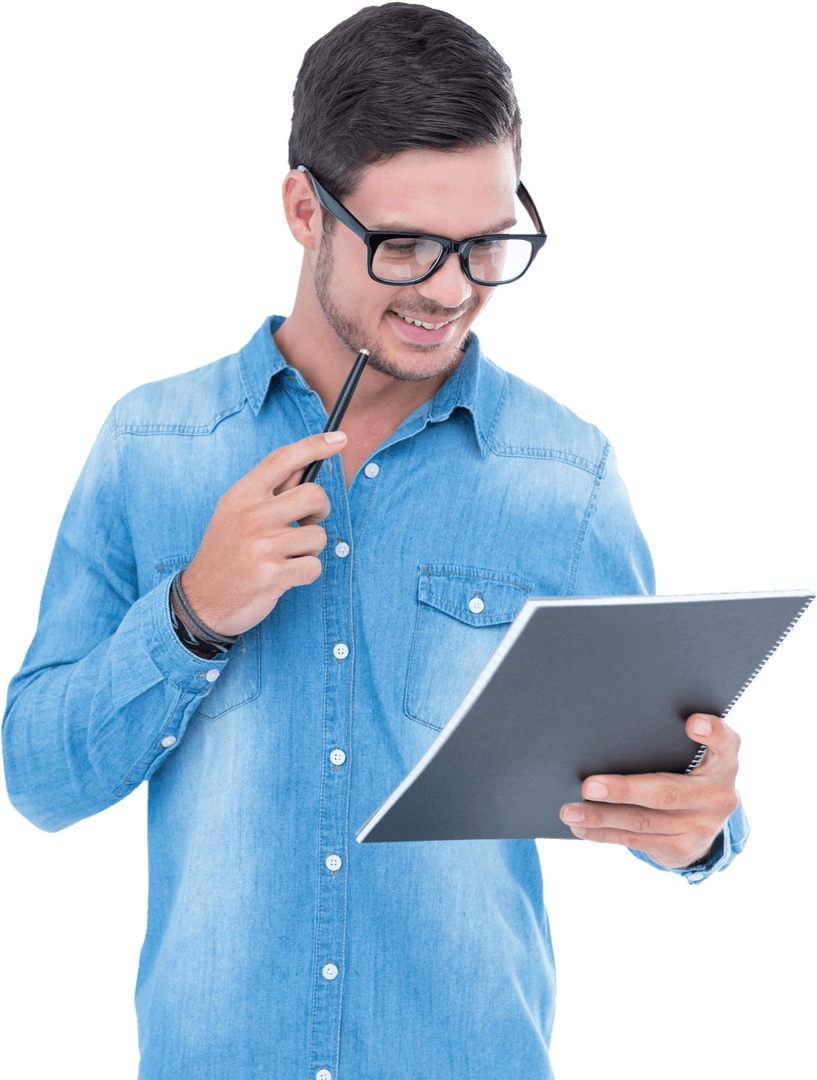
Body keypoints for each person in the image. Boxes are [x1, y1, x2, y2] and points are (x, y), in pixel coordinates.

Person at [1, 5, 749, 1079]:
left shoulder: (563, 475)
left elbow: (667, 777)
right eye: (404, 246)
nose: (451, 289)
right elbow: (36, 781)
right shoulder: (152, 444)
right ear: (305, 208)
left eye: (487, 241)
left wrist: (697, 826)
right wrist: (189, 616)